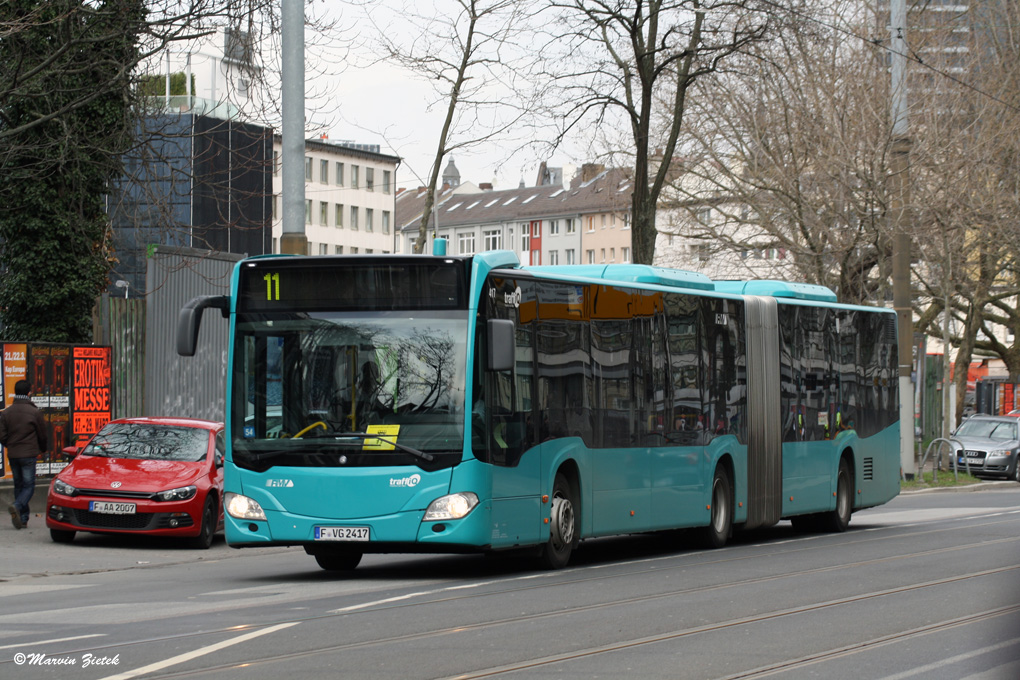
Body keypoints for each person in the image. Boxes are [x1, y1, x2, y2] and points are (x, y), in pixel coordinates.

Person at [0, 380, 47, 529]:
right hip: (28, 455)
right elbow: (42, 435)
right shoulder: (35, 412)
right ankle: (17, 505)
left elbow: (2, 436)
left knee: (19, 485)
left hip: (13, 454)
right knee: (29, 486)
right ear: (29, 393)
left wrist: (11, 445)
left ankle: (23, 518)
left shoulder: (6, 413)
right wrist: (43, 448)